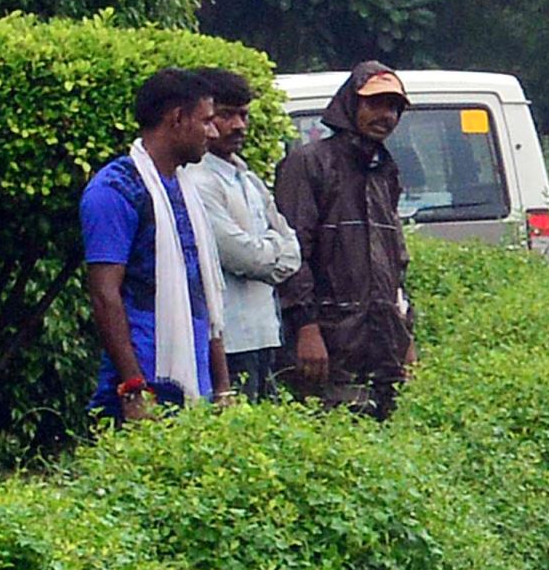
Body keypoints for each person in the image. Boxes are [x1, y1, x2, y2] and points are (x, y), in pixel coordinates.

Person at [82, 66, 226, 423]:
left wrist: (222, 387)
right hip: (141, 383)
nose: (214, 131)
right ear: (177, 119)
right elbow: (104, 294)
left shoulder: (185, 188)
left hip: (195, 381)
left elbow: (203, 295)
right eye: (206, 120)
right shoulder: (114, 191)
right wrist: (134, 388)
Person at [274, 62, 416, 415]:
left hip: (381, 346)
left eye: (393, 107)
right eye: (375, 104)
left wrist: (405, 337)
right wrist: (306, 328)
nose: (386, 115)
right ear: (351, 105)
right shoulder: (310, 163)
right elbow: (292, 254)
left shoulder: (384, 169)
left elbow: (393, 262)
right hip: (326, 345)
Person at [178, 68, 299, 401]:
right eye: (226, 115)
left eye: (243, 115)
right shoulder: (197, 181)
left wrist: (271, 251)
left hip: (266, 334)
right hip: (228, 342)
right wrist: (274, 251)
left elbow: (293, 247)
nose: (238, 126)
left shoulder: (247, 176)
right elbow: (244, 257)